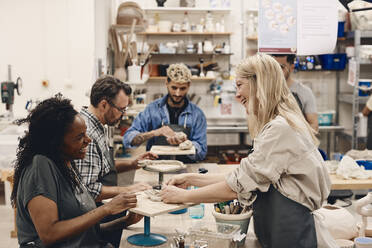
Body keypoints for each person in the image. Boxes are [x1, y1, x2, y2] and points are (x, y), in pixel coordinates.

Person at [160, 54, 334, 248]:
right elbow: (243, 177)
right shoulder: (276, 124)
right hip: (276, 231)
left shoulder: (280, 129)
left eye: (240, 85)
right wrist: (191, 179)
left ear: (259, 84)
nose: (237, 94)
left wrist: (182, 196)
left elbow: (235, 187)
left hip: (290, 233)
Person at [11, 95, 138, 248]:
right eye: (79, 137)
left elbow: (84, 234)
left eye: (85, 133)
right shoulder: (40, 166)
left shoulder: (67, 162)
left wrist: (124, 222)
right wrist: (106, 209)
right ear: (55, 142)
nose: (88, 140)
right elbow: (49, 234)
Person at [73, 75, 157, 248]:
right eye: (121, 109)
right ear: (104, 104)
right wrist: (128, 189)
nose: (123, 115)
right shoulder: (86, 132)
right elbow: (87, 188)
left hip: (106, 209)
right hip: (94, 213)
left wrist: (132, 164)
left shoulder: (98, 126)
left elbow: (101, 168)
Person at [123, 63, 207, 163]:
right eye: (174, 88)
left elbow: (202, 152)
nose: (178, 93)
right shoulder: (152, 109)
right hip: (156, 168)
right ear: (166, 83)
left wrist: (188, 144)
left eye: (183, 88)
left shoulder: (197, 114)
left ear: (189, 85)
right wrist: (154, 133)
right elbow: (128, 139)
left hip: (186, 170)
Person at [272, 54, 319, 132]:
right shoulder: (266, 91)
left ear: (292, 67)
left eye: (282, 67)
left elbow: (314, 125)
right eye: (274, 67)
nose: (277, 71)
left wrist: (299, 139)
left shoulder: (305, 92)